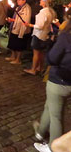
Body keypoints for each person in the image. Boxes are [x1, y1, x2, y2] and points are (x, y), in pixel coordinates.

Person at [32, 8, 71, 152]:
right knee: (49, 106)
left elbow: (52, 58)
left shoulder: (66, 36)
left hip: (60, 81)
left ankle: (53, 148)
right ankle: (40, 132)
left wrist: (51, 46)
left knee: (56, 116)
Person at [24, 0, 56, 75]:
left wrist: (30, 25)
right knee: (41, 53)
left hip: (39, 35)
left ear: (44, 3)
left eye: (42, 0)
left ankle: (33, 69)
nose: (40, 1)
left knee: (36, 53)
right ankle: (40, 68)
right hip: (45, 35)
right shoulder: (51, 12)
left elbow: (40, 26)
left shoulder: (43, 12)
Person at [6, 0, 31, 64]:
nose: (17, 1)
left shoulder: (27, 8)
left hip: (21, 29)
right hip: (15, 28)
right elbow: (16, 18)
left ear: (24, 0)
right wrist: (12, 20)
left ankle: (18, 59)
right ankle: (13, 56)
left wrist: (14, 20)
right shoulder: (17, 8)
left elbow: (26, 20)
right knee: (12, 43)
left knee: (19, 45)